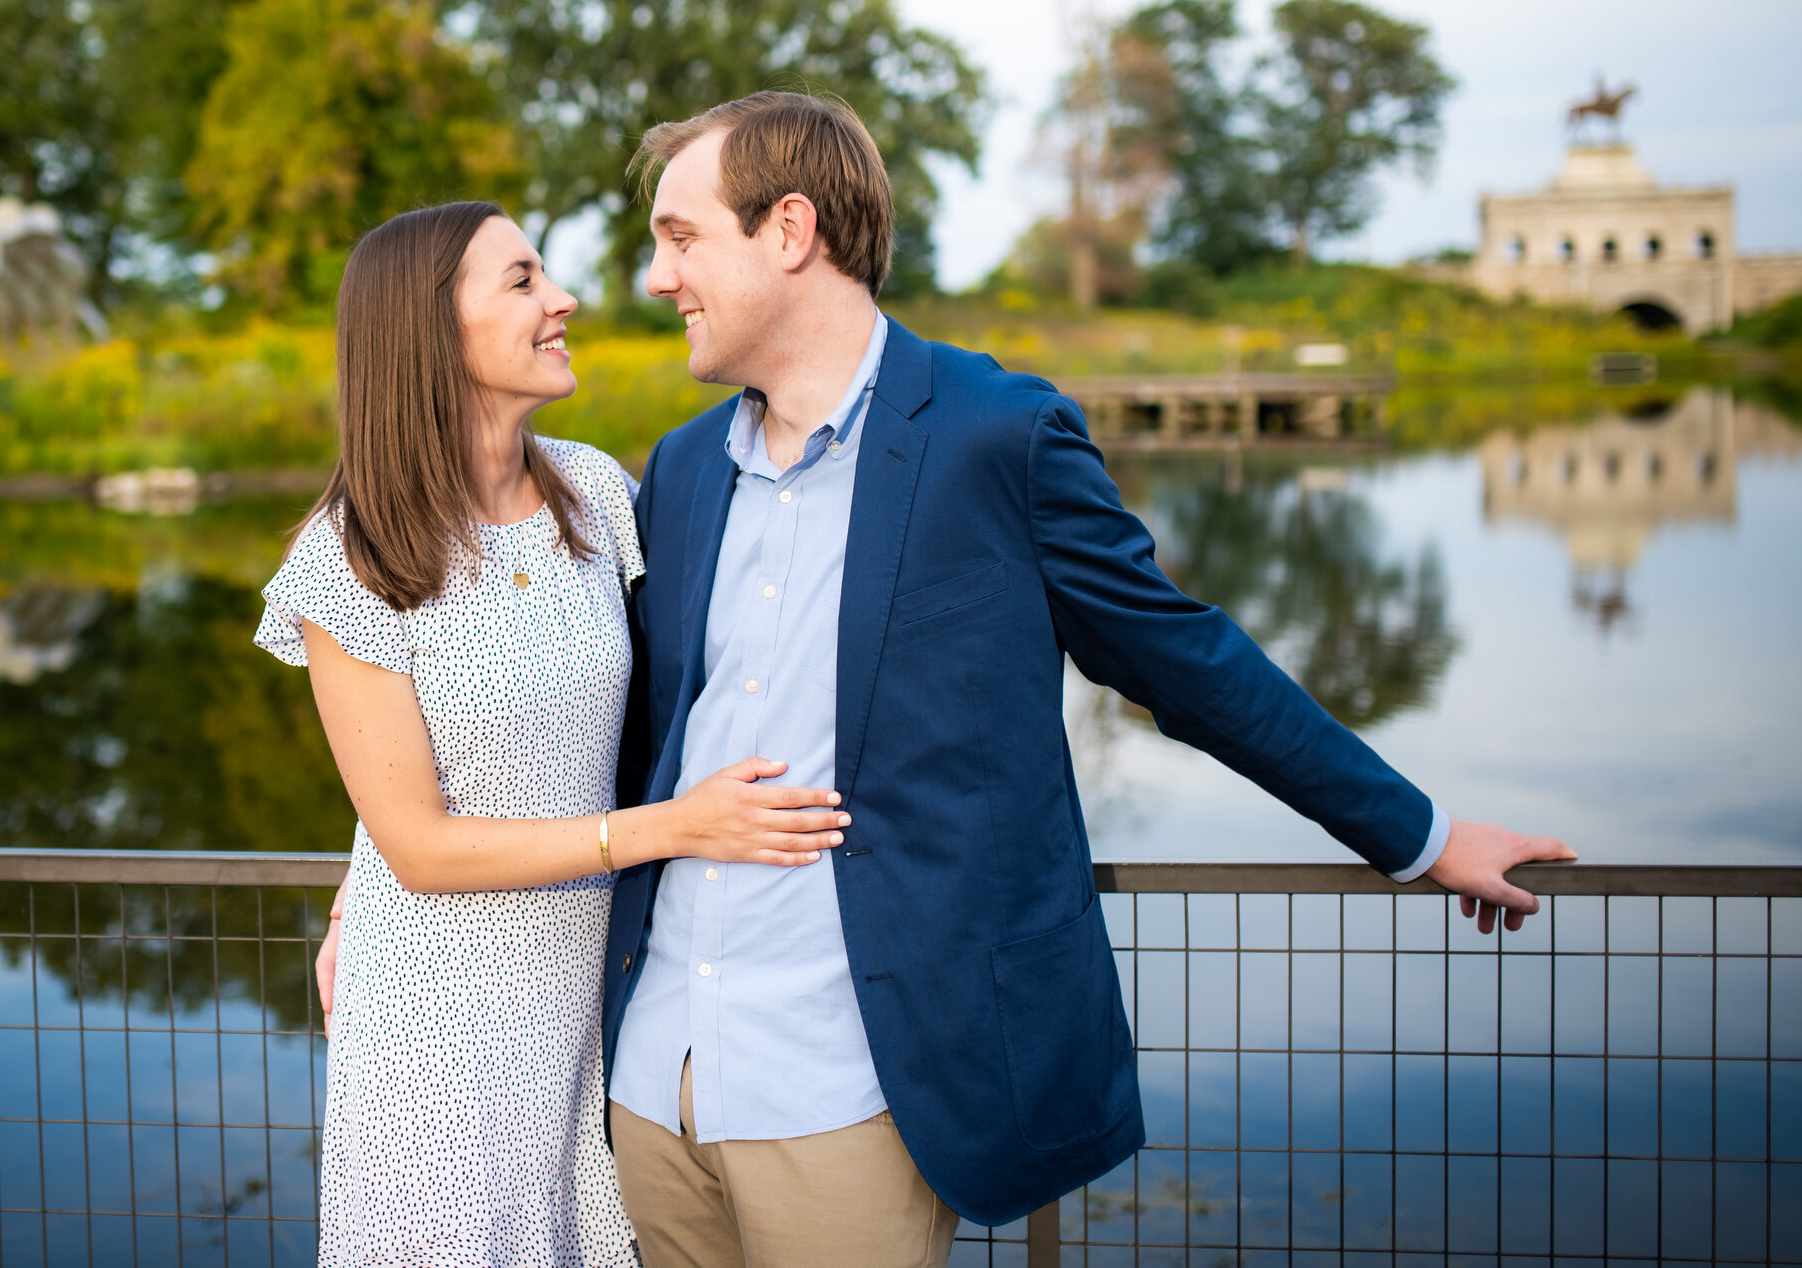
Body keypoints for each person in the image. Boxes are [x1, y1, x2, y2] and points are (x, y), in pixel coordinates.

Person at [594, 92, 1578, 1268]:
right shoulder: (683, 467)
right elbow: (610, 723)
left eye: (680, 234)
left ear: (790, 228)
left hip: (850, 1082)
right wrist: (393, 880)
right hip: (655, 1078)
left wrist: (1417, 830)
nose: (659, 276)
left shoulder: (993, 435)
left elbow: (1187, 660)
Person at [254, 200, 851, 1268]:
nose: (562, 297)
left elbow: (670, 706)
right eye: (522, 279)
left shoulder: (596, 492)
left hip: (593, 1004)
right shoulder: (352, 555)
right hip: (439, 1028)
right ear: (433, 331)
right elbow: (422, 847)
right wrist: (671, 827)